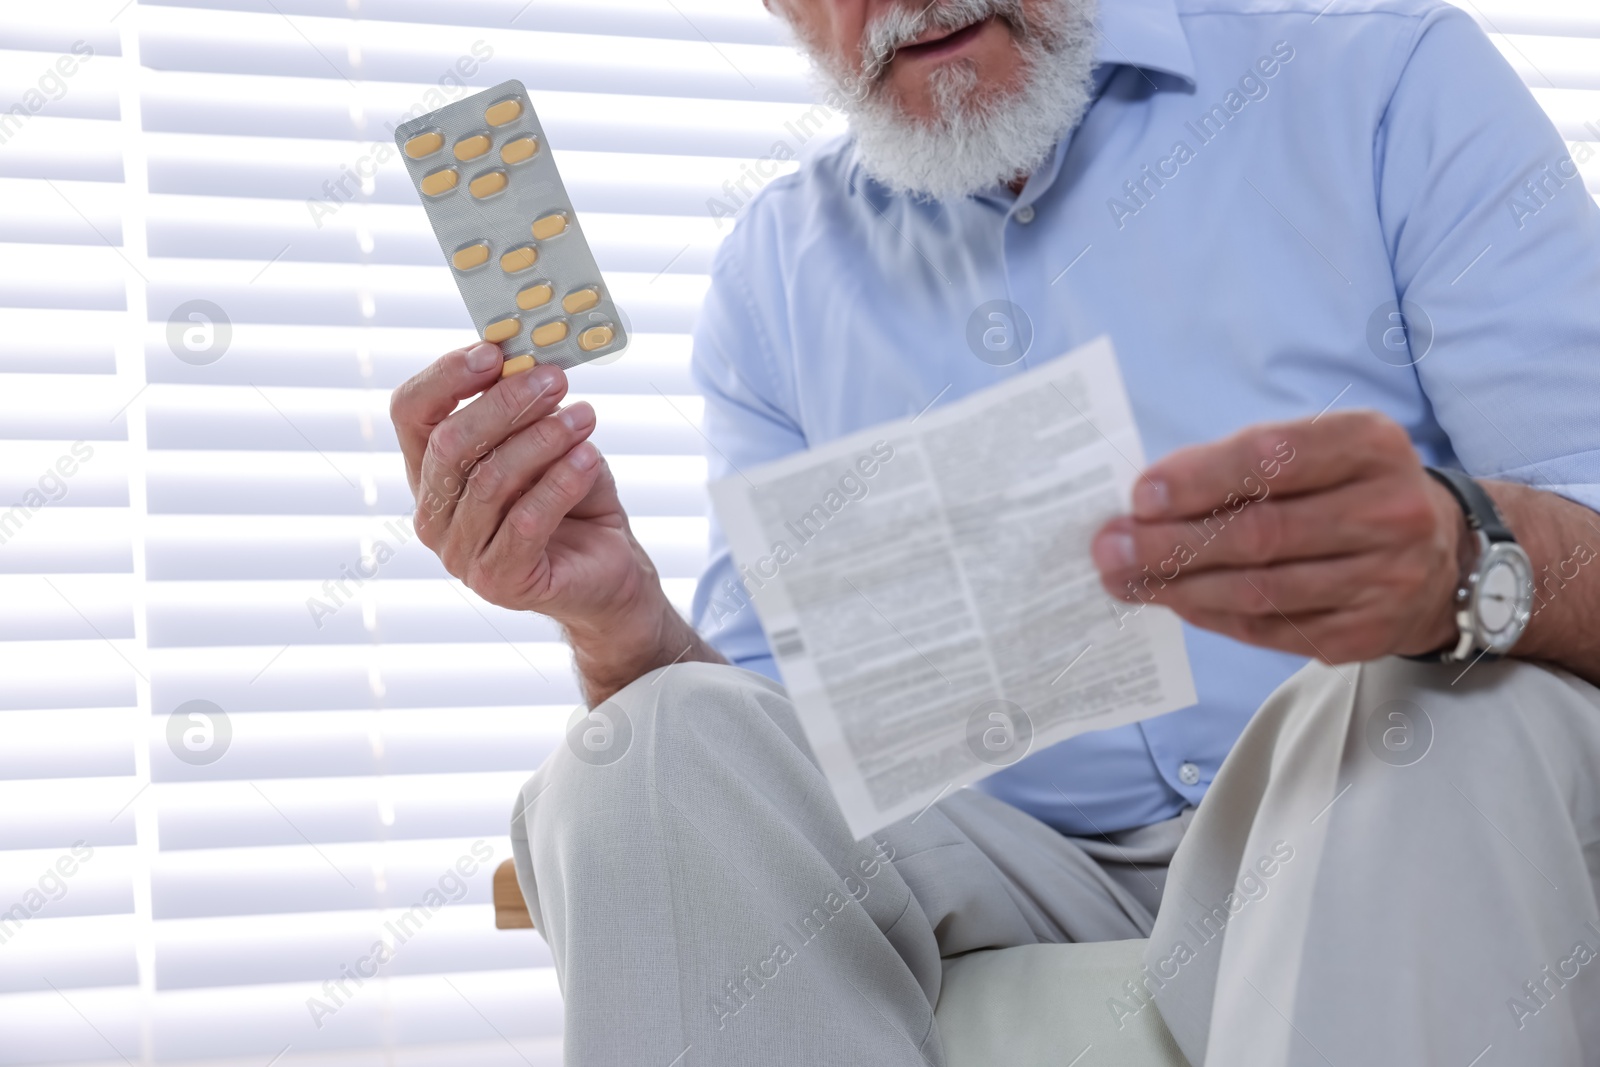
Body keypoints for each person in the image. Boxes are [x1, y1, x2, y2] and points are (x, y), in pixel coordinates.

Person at [388, 0, 1600, 1062]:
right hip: (1009, 858)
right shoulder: (773, 274)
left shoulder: (1385, 84)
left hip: (1366, 805)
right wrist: (618, 620)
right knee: (650, 744)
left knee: (1426, 697)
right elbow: (770, 753)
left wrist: (1467, 558)